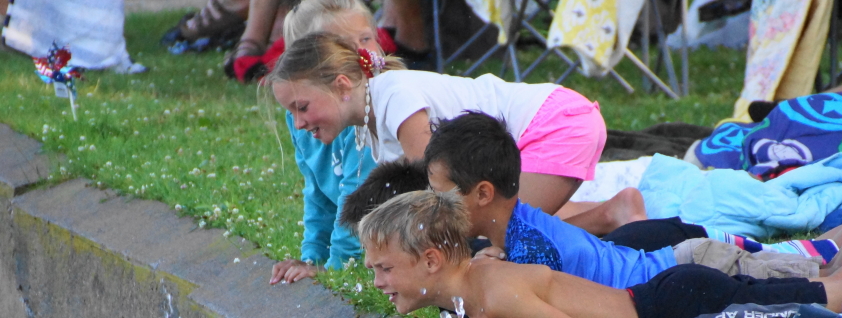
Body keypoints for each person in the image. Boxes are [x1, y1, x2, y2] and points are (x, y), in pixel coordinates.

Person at [358, 190, 842, 318]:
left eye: (384, 268)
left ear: (430, 262)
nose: (377, 281)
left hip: (675, 308)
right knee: (831, 284)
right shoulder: (481, 280)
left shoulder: (497, 295)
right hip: (666, 292)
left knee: (834, 296)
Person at [417, 112, 842, 286]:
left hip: (694, 266)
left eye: (441, 195)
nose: (435, 207)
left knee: (828, 272)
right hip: (685, 258)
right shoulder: (519, 229)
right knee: (815, 254)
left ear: (482, 194)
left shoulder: (530, 248)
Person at [268, 32, 645, 235]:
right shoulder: (372, 121)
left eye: (302, 107)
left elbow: (433, 191)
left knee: (504, 237)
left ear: (341, 85)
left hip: (556, 123)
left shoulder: (394, 97)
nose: (299, 123)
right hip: (558, 119)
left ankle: (614, 216)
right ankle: (610, 213)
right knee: (499, 232)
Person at [269, 0, 398, 285]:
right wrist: (312, 258)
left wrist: (338, 266)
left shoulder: (371, 109)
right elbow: (316, 189)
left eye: (365, 39)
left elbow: (359, 194)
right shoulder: (303, 116)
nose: (359, 53)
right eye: (341, 45)